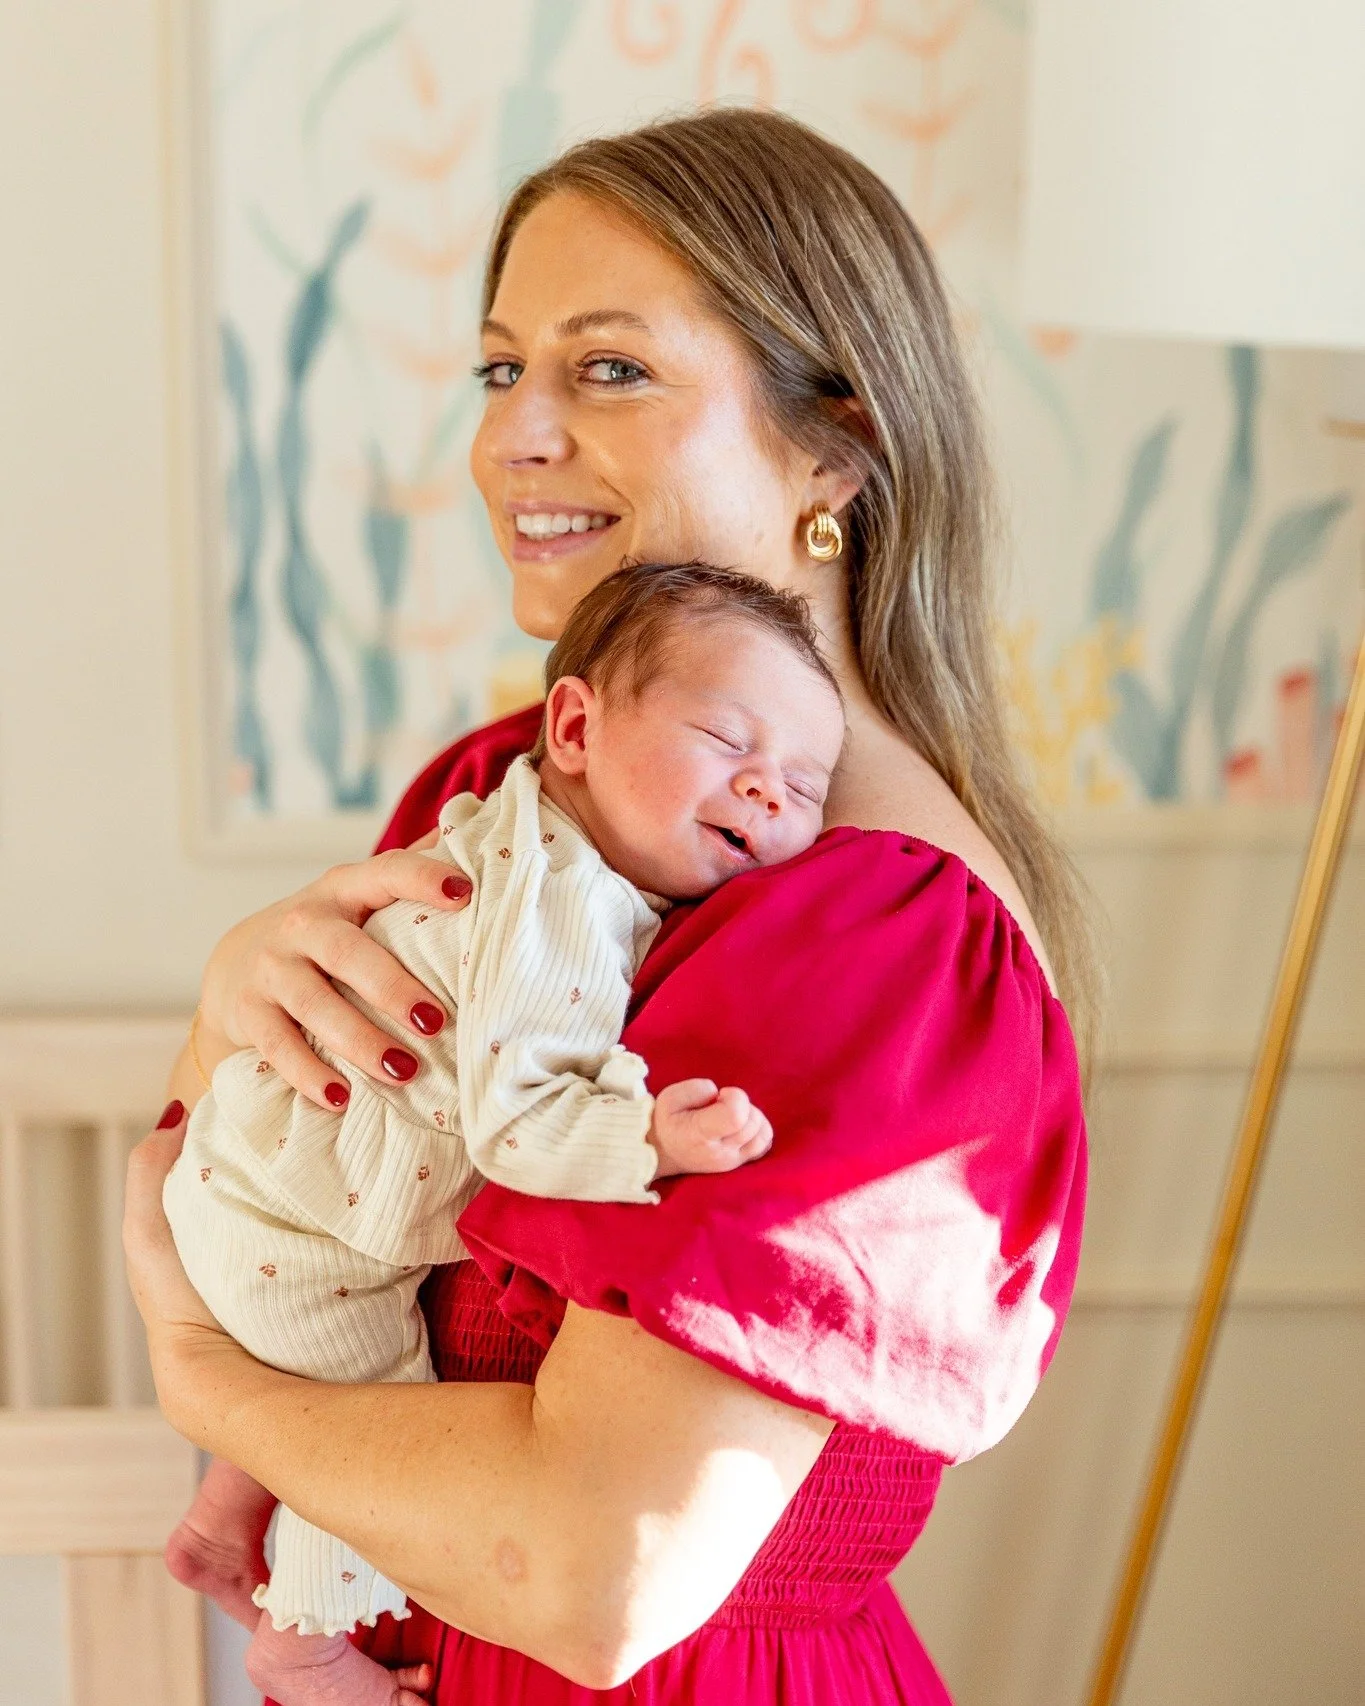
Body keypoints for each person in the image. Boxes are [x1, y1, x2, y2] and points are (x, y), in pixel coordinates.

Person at [124, 108, 1096, 1706]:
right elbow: (247, 1214)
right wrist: (237, 991)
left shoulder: (879, 932)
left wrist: (199, 1378)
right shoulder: (499, 786)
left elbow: (595, 1576)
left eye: (609, 368)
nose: (511, 435)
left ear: (830, 451)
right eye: (501, 369)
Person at [162, 563, 845, 1704]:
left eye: (807, 781)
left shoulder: (524, 825)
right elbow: (519, 1124)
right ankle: (300, 1648)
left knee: (306, 1372)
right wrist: (648, 1138)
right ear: (574, 724)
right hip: (298, 1223)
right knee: (373, 1408)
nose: (769, 790)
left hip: (259, 1185)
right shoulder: (562, 905)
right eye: (729, 741)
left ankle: (221, 1516)